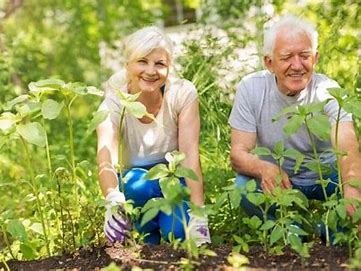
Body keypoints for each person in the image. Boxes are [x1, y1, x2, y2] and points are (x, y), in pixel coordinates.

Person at [229, 14, 361, 238]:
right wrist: (265, 168)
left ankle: (329, 232)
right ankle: (293, 234)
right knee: (244, 187)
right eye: (287, 57)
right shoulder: (251, 88)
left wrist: (352, 188)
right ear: (269, 62)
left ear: (316, 58)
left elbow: (348, 143)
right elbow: (238, 154)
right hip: (281, 178)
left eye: (305, 56)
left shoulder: (328, 90)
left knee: (357, 180)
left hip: (327, 177)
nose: (297, 65)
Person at [96, 26, 211, 246]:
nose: (150, 71)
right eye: (142, 61)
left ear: (169, 68)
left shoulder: (183, 94)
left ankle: (165, 228)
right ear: (127, 65)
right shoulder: (113, 102)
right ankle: (143, 233)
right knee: (139, 185)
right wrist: (112, 198)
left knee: (180, 235)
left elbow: (190, 155)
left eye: (159, 64)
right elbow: (106, 157)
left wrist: (199, 213)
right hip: (134, 186)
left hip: (173, 181)